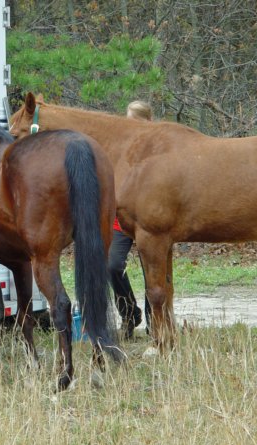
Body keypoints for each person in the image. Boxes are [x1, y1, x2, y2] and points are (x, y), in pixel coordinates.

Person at [109, 100, 153, 339]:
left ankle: (154, 323)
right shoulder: (119, 149)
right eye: (128, 122)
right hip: (122, 220)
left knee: (152, 271)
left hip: (151, 220)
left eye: (136, 122)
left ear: (148, 122)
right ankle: (129, 314)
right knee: (112, 265)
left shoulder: (159, 149)